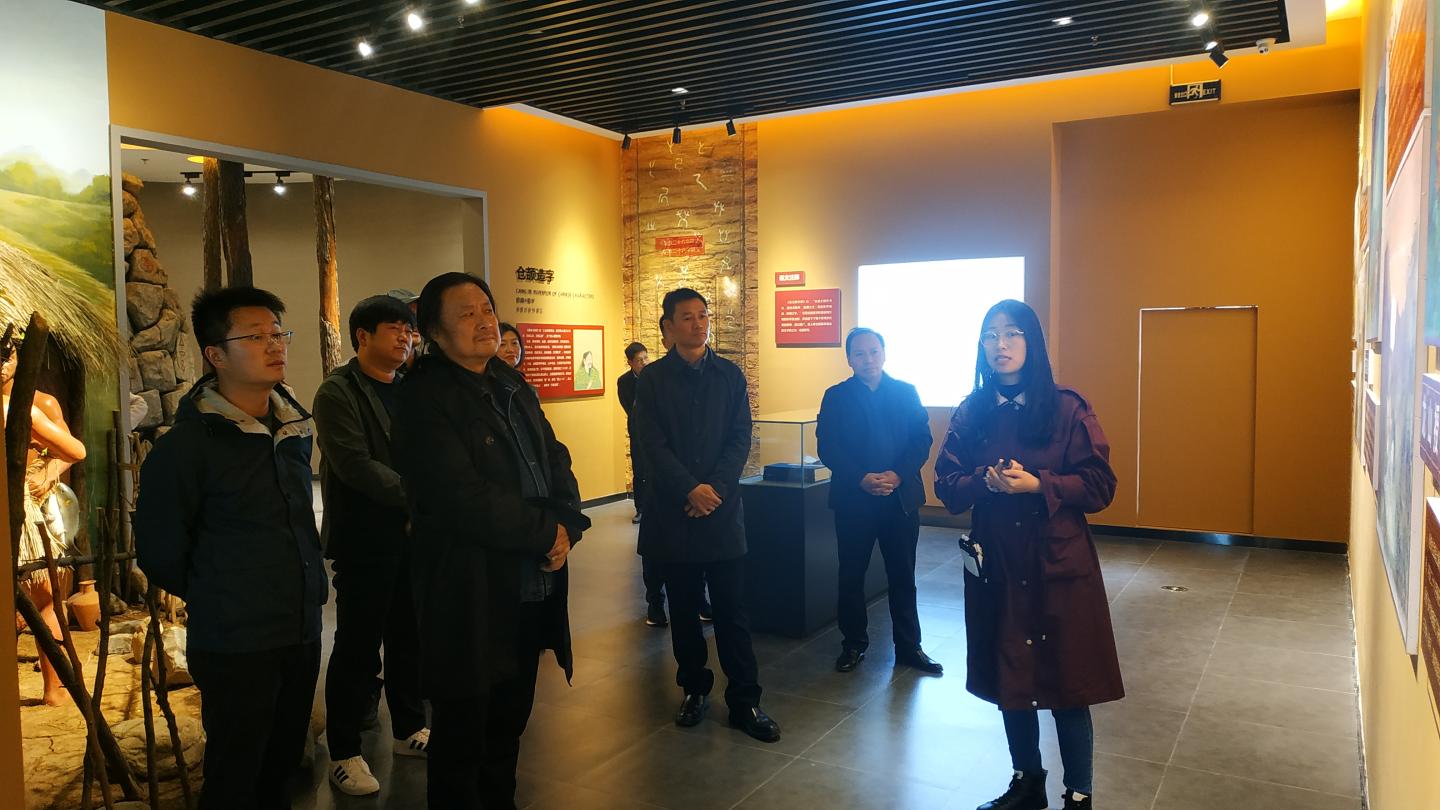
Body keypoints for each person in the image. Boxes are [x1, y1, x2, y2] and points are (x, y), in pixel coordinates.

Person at [391, 272, 590, 810]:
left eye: (487, 308)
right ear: (434, 331)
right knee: (462, 737)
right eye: (466, 313)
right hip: (468, 591)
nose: (484, 321)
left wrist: (567, 524)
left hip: (528, 585)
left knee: (508, 725)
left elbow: (554, 456)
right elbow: (461, 497)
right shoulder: (423, 398)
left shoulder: (510, 383)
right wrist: (545, 532)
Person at [135, 287, 327, 810]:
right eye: (255, 337)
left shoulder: (293, 429)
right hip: (234, 638)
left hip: (300, 627)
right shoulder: (186, 447)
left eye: (278, 334)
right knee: (235, 771)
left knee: (282, 766)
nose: (275, 345)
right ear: (215, 355)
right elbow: (160, 551)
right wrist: (222, 590)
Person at [933, 299, 1121, 810]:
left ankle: (1078, 795)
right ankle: (1027, 782)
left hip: (1058, 563)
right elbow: (947, 485)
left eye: (1012, 333)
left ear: (1031, 341)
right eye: (991, 335)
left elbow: (1100, 485)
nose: (1001, 344)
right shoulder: (971, 411)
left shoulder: (1067, 408)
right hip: (998, 561)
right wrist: (985, 481)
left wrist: (1039, 483)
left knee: (1069, 680)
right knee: (1010, 673)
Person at [633, 287, 780, 743]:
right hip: (674, 512)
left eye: (703, 315)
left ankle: (745, 700)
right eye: (687, 317)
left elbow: (740, 437)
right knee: (682, 611)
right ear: (669, 326)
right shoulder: (652, 380)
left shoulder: (729, 376)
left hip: (720, 511)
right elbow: (650, 442)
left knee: (732, 611)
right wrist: (689, 488)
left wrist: (712, 490)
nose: (698, 324)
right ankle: (694, 690)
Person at [313, 295, 428, 795]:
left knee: (409, 636)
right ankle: (344, 752)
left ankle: (409, 728)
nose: (406, 337)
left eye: (409, 329)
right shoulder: (338, 392)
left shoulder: (409, 388)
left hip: (413, 535)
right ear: (363, 336)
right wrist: (422, 498)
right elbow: (354, 464)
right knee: (358, 646)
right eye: (394, 328)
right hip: (365, 538)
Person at [816, 327, 942, 676]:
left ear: (884, 354)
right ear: (849, 359)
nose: (868, 359)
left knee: (902, 574)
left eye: (873, 352)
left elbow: (922, 439)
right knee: (851, 575)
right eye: (859, 353)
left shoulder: (905, 392)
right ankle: (853, 643)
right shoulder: (836, 396)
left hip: (899, 499)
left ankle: (909, 646)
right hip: (854, 500)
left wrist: (897, 474)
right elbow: (828, 446)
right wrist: (860, 478)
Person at [2, 325, 85, 706]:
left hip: (29, 505)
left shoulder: (39, 406)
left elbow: (72, 451)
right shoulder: (20, 410)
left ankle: (54, 688)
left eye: (7, 355)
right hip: (18, 502)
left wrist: (49, 470)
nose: (3, 365)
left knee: (45, 601)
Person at [618, 340, 669, 626]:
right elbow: (637, 416)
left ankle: (698, 600)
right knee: (654, 543)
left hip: (680, 474)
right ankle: (655, 602)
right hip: (655, 469)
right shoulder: (646, 381)